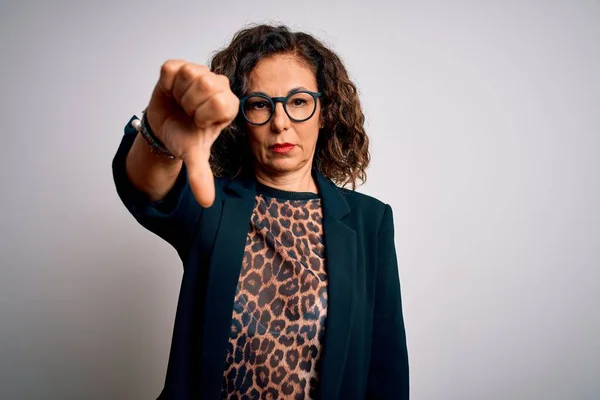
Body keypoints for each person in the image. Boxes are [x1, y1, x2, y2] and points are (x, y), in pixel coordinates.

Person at [112, 24, 409, 400]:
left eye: (299, 101)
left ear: (325, 112)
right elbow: (149, 189)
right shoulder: (211, 206)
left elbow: (386, 370)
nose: (280, 122)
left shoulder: (370, 221)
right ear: (240, 118)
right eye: (259, 104)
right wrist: (159, 134)